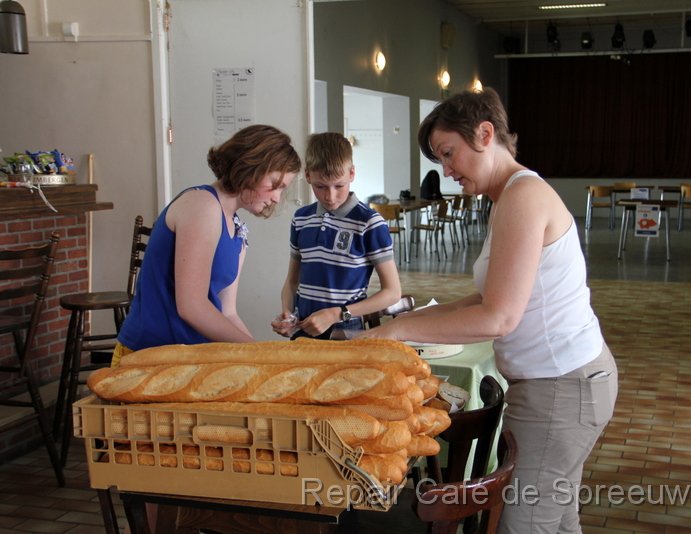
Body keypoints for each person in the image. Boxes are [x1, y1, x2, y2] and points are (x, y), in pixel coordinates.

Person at [359, 88, 617, 533]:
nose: (446, 170)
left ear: (484, 133)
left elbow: (499, 318)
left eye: (448, 153)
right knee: (557, 522)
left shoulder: (522, 196)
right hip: (565, 383)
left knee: (526, 524)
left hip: (562, 387)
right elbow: (485, 300)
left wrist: (400, 331)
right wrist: (408, 324)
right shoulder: (509, 198)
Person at [113, 124, 301, 365]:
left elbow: (228, 313)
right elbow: (192, 307)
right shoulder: (202, 205)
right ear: (251, 167)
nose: (276, 197)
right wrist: (258, 353)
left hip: (191, 358)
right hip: (147, 356)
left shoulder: (238, 231)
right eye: (276, 184)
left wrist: (262, 356)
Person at [272, 132, 401, 340]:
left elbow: (392, 292)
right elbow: (291, 283)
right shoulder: (301, 219)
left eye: (339, 186)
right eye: (320, 186)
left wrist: (337, 314)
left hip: (346, 332)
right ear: (308, 176)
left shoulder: (369, 222)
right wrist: (288, 313)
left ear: (351, 174)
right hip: (303, 331)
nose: (329, 197)